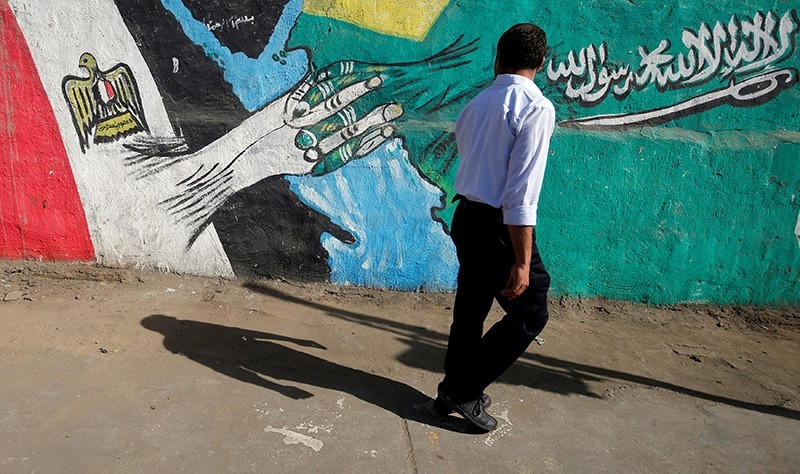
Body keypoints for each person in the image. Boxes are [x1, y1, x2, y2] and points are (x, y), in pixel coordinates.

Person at [434, 23, 555, 432]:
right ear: (540, 62)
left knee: (471, 306)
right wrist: (521, 261)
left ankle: (453, 385)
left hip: (466, 216)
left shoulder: (477, 104)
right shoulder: (535, 108)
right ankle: (463, 389)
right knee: (531, 310)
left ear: (498, 59)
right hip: (497, 225)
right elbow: (520, 196)